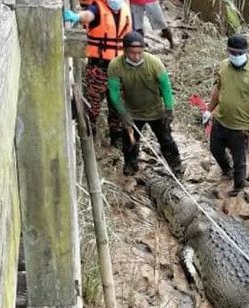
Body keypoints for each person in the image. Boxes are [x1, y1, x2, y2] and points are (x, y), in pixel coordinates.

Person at [107, 31, 182, 176]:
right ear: (124, 51)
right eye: (132, 53)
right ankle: (131, 165)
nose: (136, 57)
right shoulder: (115, 66)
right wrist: (122, 112)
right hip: (132, 112)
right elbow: (114, 93)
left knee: (166, 140)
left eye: (139, 53)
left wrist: (169, 109)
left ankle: (176, 167)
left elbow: (166, 86)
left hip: (156, 111)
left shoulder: (154, 63)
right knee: (130, 142)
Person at [202, 35, 249, 195]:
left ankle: (239, 186)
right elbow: (218, 89)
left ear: (246, 52)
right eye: (232, 52)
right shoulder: (224, 66)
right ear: (227, 50)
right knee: (215, 149)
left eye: (239, 53)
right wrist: (209, 110)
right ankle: (227, 170)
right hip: (220, 120)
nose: (236, 56)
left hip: (240, 127)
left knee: (239, 160)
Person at [63, 0, 132, 147]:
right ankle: (89, 138)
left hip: (119, 69)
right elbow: (88, 15)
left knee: (117, 105)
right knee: (92, 106)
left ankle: (116, 138)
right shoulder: (97, 8)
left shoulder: (125, 9)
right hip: (99, 69)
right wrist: (77, 17)